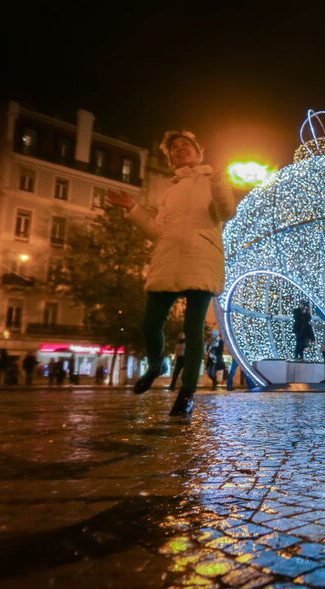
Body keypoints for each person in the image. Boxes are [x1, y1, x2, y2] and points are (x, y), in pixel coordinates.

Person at [106, 130, 236, 415]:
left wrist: (218, 181)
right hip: (167, 260)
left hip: (201, 259)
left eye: (186, 145)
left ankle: (187, 392)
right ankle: (156, 365)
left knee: (193, 330)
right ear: (169, 158)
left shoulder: (210, 180)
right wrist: (133, 208)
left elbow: (226, 212)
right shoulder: (170, 190)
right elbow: (158, 231)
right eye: (174, 148)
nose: (180, 149)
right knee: (150, 324)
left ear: (198, 152)